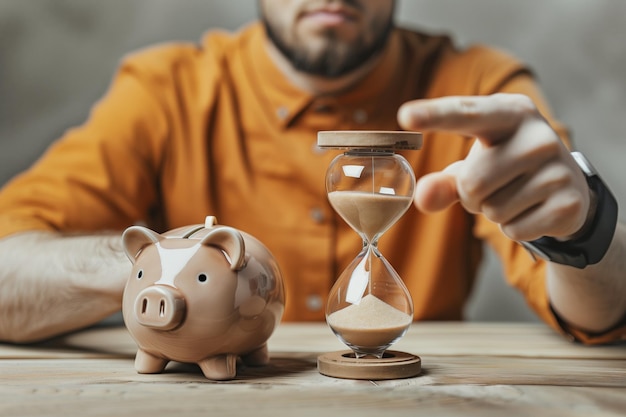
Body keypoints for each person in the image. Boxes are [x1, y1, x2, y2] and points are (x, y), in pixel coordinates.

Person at [0, 0, 624, 344]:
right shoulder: (167, 90)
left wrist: (583, 225)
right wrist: (173, 271)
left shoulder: (478, 88)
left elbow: (601, 316)